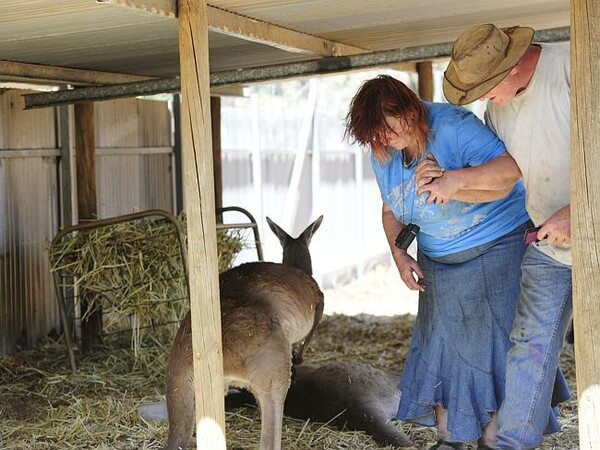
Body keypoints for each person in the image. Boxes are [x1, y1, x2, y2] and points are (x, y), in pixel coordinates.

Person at [345, 74, 531, 450]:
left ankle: (494, 441)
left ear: (408, 109)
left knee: (490, 344)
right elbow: (390, 208)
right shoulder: (383, 152)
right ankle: (450, 439)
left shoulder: (453, 126)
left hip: (495, 242)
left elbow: (510, 171)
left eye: (385, 130)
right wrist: (399, 255)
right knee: (441, 345)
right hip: (438, 255)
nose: (381, 142)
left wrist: (453, 181)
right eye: (373, 137)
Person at [442, 24, 572, 449]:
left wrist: (581, 212)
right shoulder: (498, 109)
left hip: (587, 227)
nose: (482, 97)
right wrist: (453, 184)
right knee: (529, 345)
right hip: (549, 242)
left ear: (513, 65)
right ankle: (514, 444)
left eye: (484, 86)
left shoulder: (575, 66)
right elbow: (507, 175)